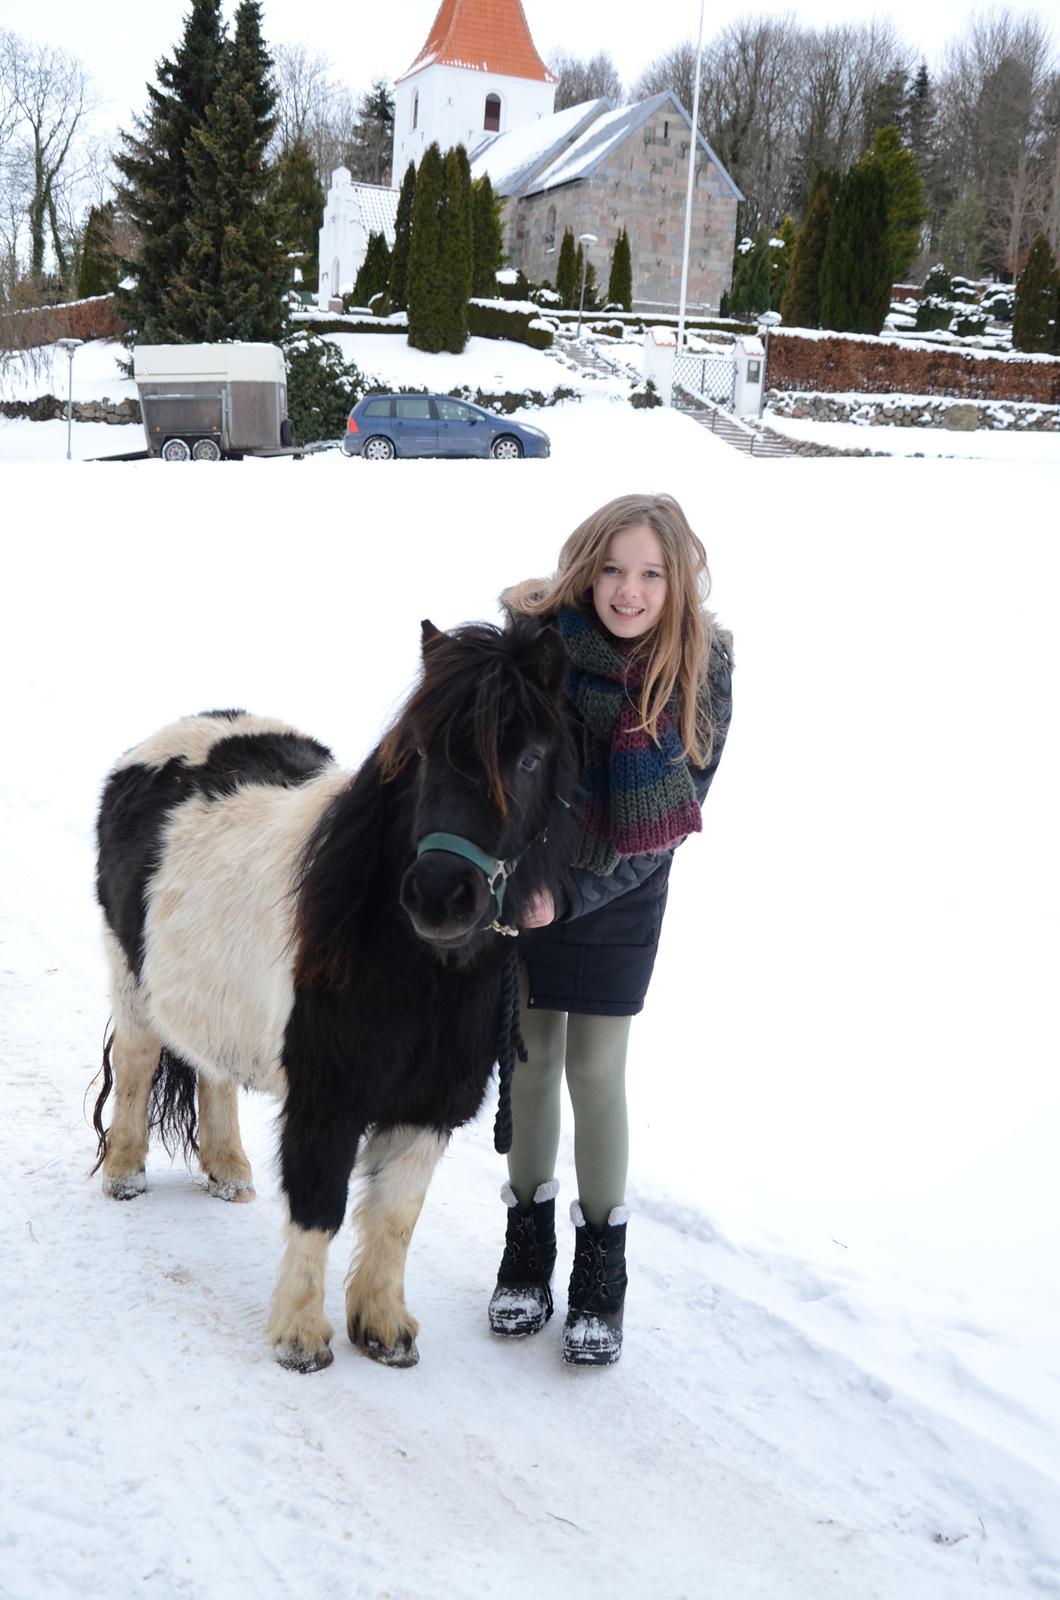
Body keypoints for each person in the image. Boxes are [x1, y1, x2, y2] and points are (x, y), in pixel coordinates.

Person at [488, 492, 733, 1367]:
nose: (628, 592)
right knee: (531, 1058)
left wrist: (570, 896)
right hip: (524, 882)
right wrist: (518, 882)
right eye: (612, 569)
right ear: (585, 565)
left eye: (650, 575)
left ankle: (602, 1275)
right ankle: (526, 1254)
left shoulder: (698, 670)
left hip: (625, 888)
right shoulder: (534, 646)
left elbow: (671, 824)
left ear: (677, 584)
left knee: (594, 1070)